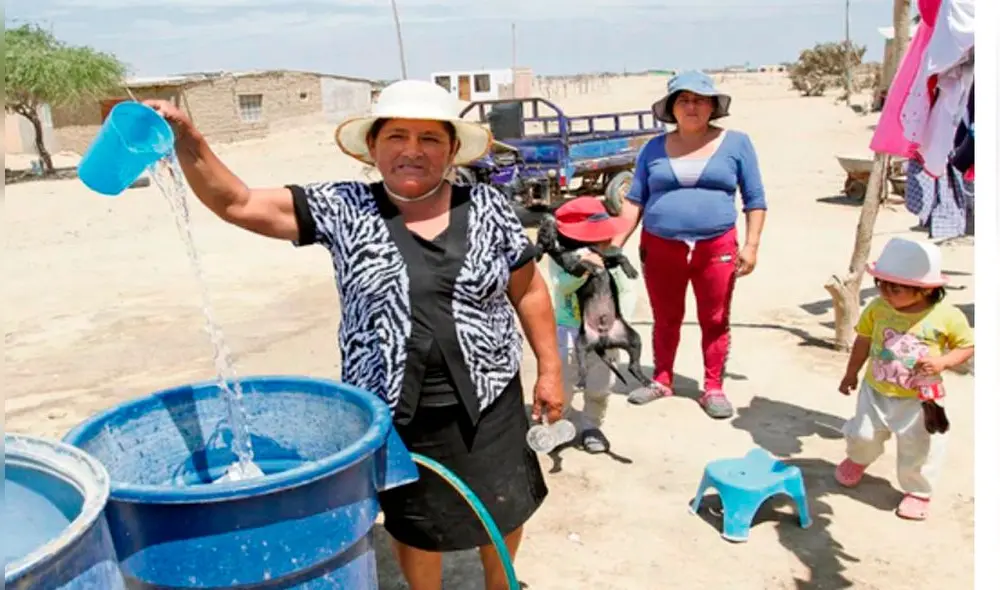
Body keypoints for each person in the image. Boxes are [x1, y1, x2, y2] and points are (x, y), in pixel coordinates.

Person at [145, 79, 564, 590]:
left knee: (503, 502)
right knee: (413, 520)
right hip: (393, 407)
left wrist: (550, 371)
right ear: (373, 146)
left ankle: (501, 584)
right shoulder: (344, 208)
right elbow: (237, 202)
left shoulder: (489, 207)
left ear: (452, 148)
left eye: (430, 138)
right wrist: (190, 140)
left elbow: (530, 291)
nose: (413, 150)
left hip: (489, 394)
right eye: (397, 136)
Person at [611, 70, 767, 419]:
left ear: (713, 105)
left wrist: (752, 245)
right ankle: (662, 380)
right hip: (661, 246)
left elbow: (755, 199)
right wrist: (613, 244)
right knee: (666, 317)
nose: (692, 106)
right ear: (671, 108)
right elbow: (634, 200)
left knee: (714, 318)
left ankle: (713, 387)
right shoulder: (652, 148)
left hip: (717, 246)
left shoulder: (737, 143)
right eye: (683, 99)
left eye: (699, 99)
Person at [836, 237, 974, 521]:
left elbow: (966, 346)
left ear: (926, 290)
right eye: (881, 285)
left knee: (919, 447)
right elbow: (863, 340)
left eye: (895, 288)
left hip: (919, 400)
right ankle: (858, 458)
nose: (885, 292)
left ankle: (918, 491)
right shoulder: (877, 308)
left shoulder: (947, 316)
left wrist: (942, 362)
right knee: (863, 434)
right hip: (876, 390)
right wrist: (851, 373)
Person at [546, 197, 637, 453]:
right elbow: (562, 286)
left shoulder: (612, 254)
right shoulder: (561, 258)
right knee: (564, 380)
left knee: (600, 383)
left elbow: (626, 289)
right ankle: (558, 423)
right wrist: (585, 269)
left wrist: (620, 323)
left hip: (604, 332)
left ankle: (592, 425)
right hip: (569, 329)